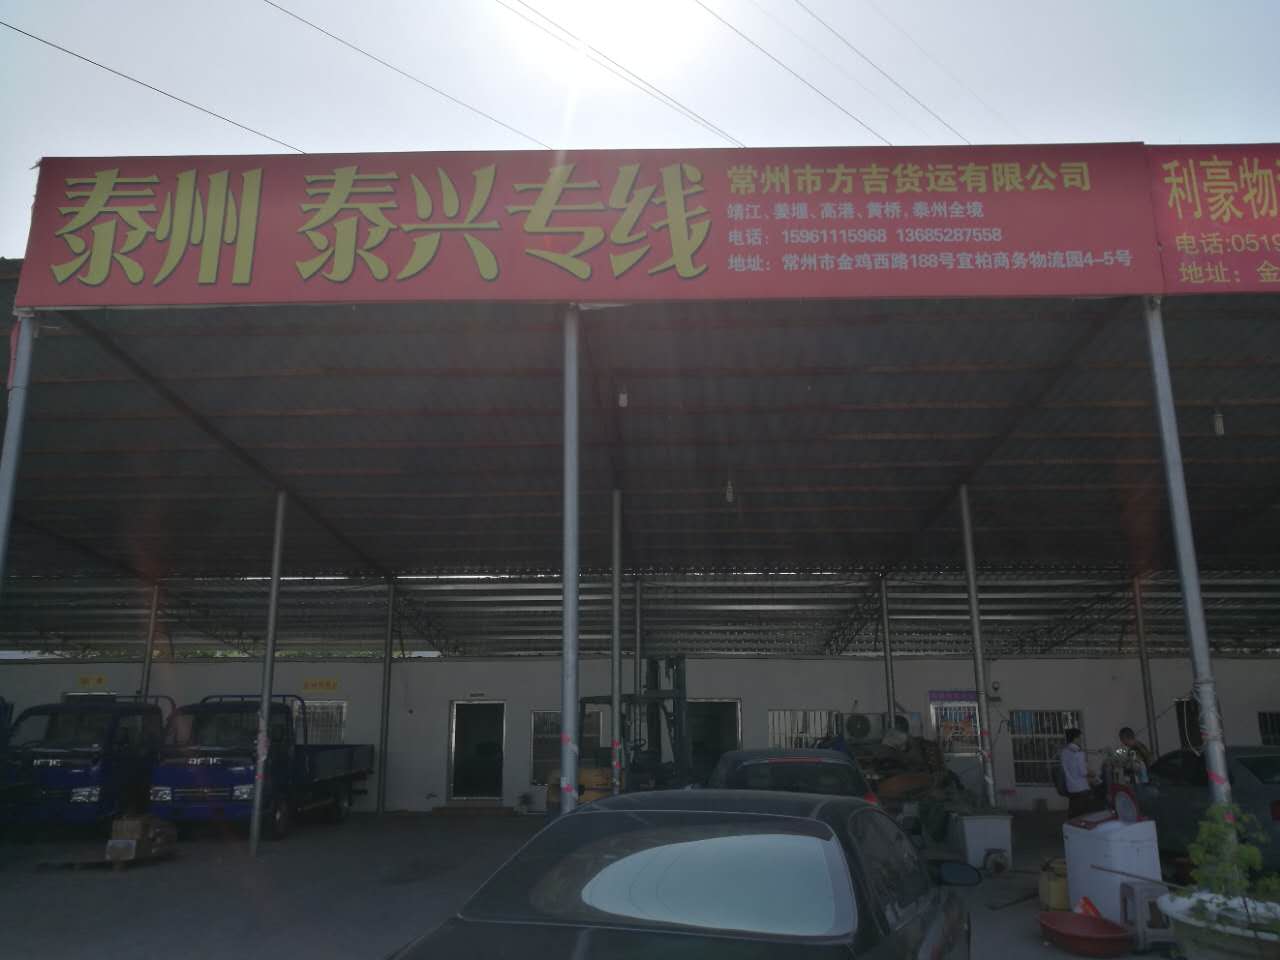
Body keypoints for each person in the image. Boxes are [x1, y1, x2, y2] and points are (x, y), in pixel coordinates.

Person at [1060, 727, 1094, 817]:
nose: (1081, 740)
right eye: (1080, 738)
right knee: (1083, 815)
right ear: (1075, 738)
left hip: (1070, 787)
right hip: (1081, 788)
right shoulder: (1078, 753)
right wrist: (1093, 774)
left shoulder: (1064, 751)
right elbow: (1083, 772)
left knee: (1073, 814)